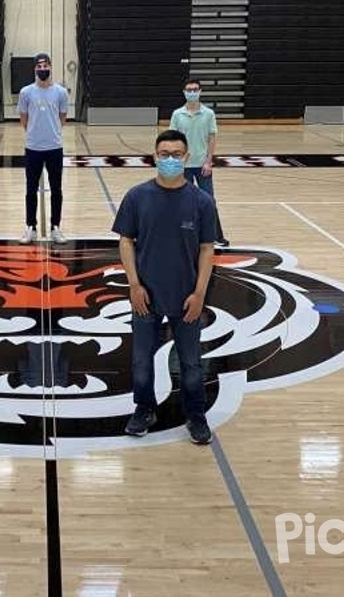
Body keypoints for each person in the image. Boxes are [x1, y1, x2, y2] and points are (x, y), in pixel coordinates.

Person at [112, 129, 217, 445]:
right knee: (142, 362)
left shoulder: (201, 201)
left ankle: (195, 415)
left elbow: (207, 249)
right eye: (164, 154)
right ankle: (144, 409)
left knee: (190, 363)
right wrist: (133, 285)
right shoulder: (137, 197)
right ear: (154, 156)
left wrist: (199, 293)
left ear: (187, 157)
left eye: (176, 154)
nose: (170, 159)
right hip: (145, 296)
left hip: (186, 298)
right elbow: (125, 241)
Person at [169, 78, 229, 246]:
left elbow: (212, 138)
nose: (192, 92)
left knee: (209, 201)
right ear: (184, 92)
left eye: (195, 89)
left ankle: (216, 236)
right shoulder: (177, 114)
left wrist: (208, 162)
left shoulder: (208, 114)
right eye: (189, 89)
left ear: (200, 91)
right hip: (183, 166)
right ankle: (182, 235)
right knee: (182, 202)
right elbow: (173, 140)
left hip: (202, 165)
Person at [18, 52, 69, 244]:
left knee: (57, 189)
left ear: (50, 67)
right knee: (31, 190)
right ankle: (31, 227)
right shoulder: (26, 92)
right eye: (39, 66)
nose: (42, 69)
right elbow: (23, 117)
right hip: (33, 148)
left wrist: (52, 131)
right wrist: (34, 132)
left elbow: (62, 117)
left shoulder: (61, 92)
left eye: (45, 65)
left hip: (54, 148)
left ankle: (56, 226)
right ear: (34, 69)